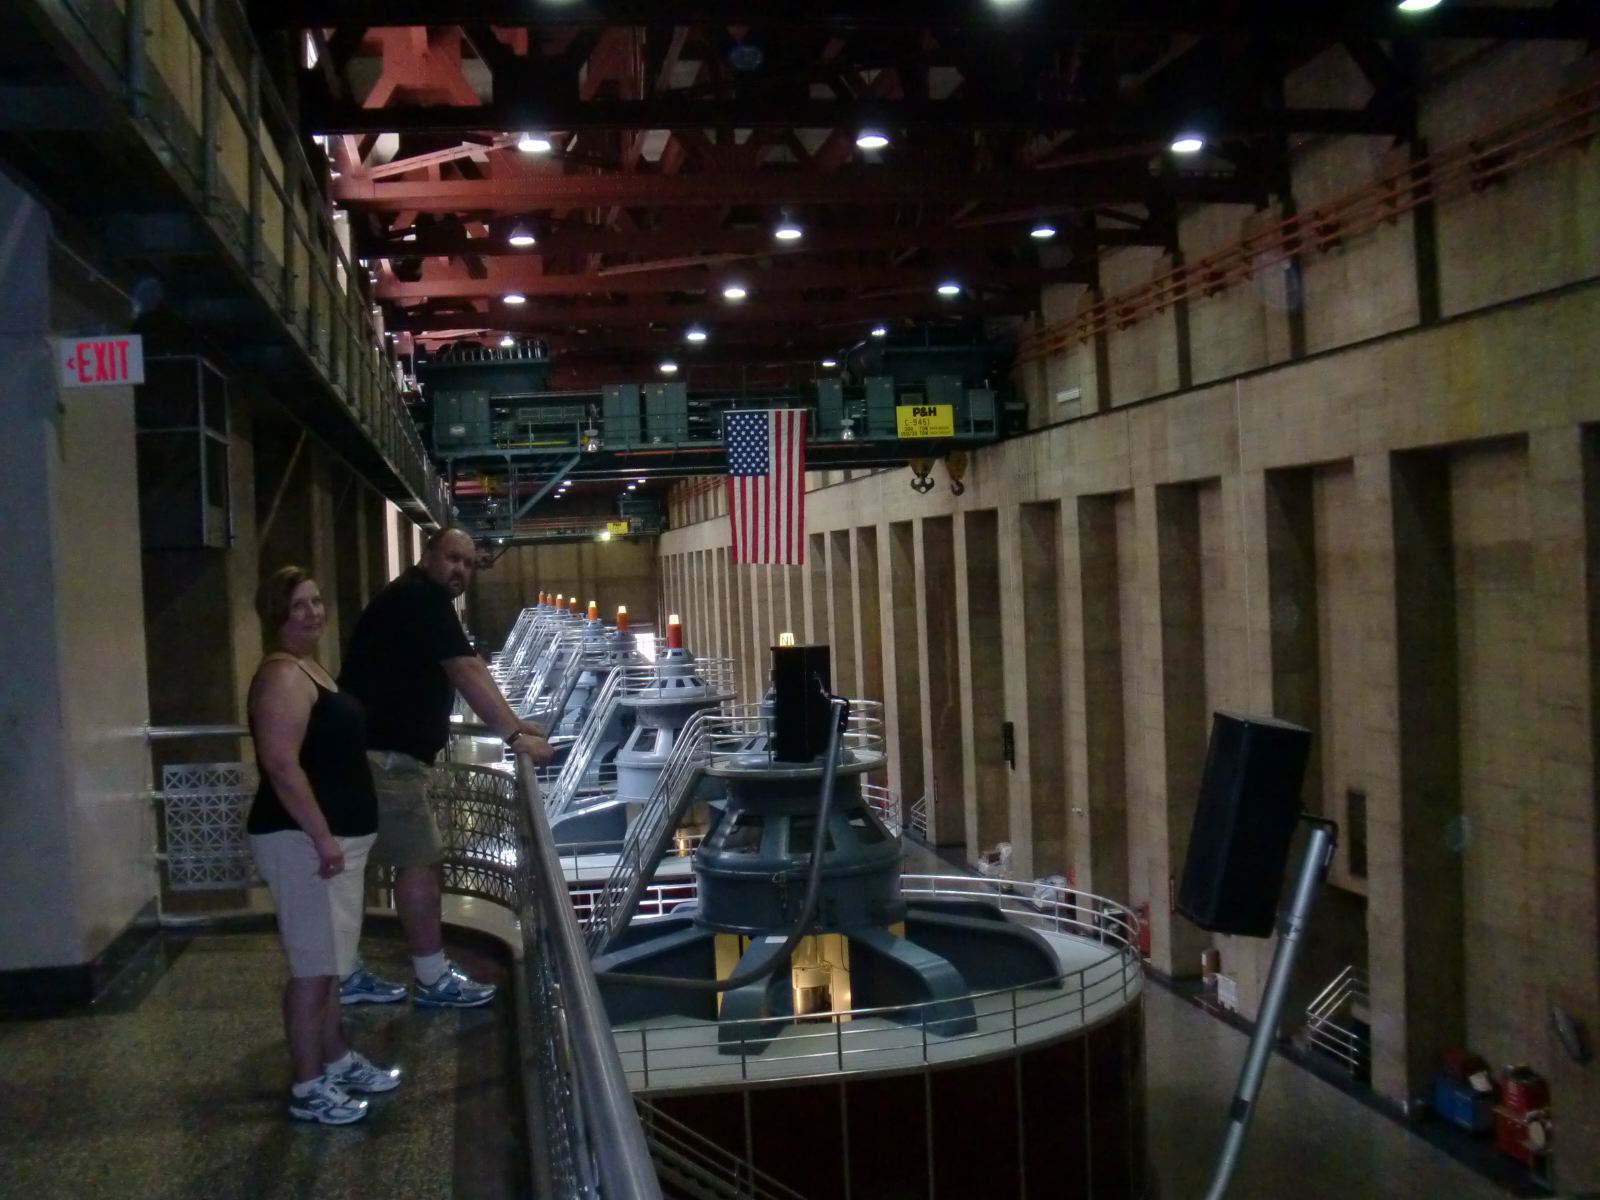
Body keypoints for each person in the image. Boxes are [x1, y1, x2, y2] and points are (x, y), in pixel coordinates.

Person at [338, 526, 553, 1007]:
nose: (460, 570)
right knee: (420, 865)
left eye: (469, 564)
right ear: (428, 555)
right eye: (453, 558)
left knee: (362, 868)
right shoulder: (423, 599)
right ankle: (432, 980)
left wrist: (516, 723)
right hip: (386, 761)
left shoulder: (413, 597)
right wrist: (514, 736)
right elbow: (465, 670)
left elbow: (467, 664)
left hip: (372, 755)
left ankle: (345, 971)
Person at [246, 566, 401, 1125]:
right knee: (313, 969)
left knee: (331, 964)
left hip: (331, 843)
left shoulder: (308, 667)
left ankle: (335, 1058)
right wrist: (320, 838)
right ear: (277, 614)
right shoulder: (282, 676)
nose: (313, 612)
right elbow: (281, 766)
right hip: (303, 844)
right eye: (298, 605)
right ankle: (308, 1086)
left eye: (315, 601)